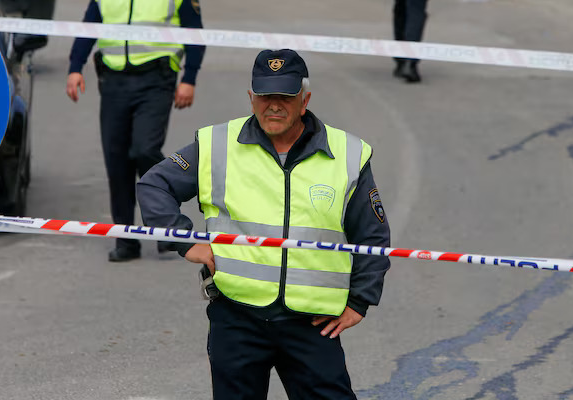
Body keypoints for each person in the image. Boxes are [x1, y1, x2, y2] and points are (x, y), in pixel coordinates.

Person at [137, 49, 391, 400]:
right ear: (251, 98)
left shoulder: (347, 154)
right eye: (265, 95)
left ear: (304, 100)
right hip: (236, 317)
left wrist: (360, 301)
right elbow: (154, 185)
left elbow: (373, 236)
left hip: (311, 323)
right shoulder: (216, 144)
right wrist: (184, 240)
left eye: (285, 97)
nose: (274, 105)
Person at [66, 0, 205, 262]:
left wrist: (189, 78)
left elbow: (196, 36)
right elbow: (88, 27)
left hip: (156, 81)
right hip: (113, 81)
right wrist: (74, 68)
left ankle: (162, 223)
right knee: (117, 160)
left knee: (144, 149)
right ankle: (126, 239)